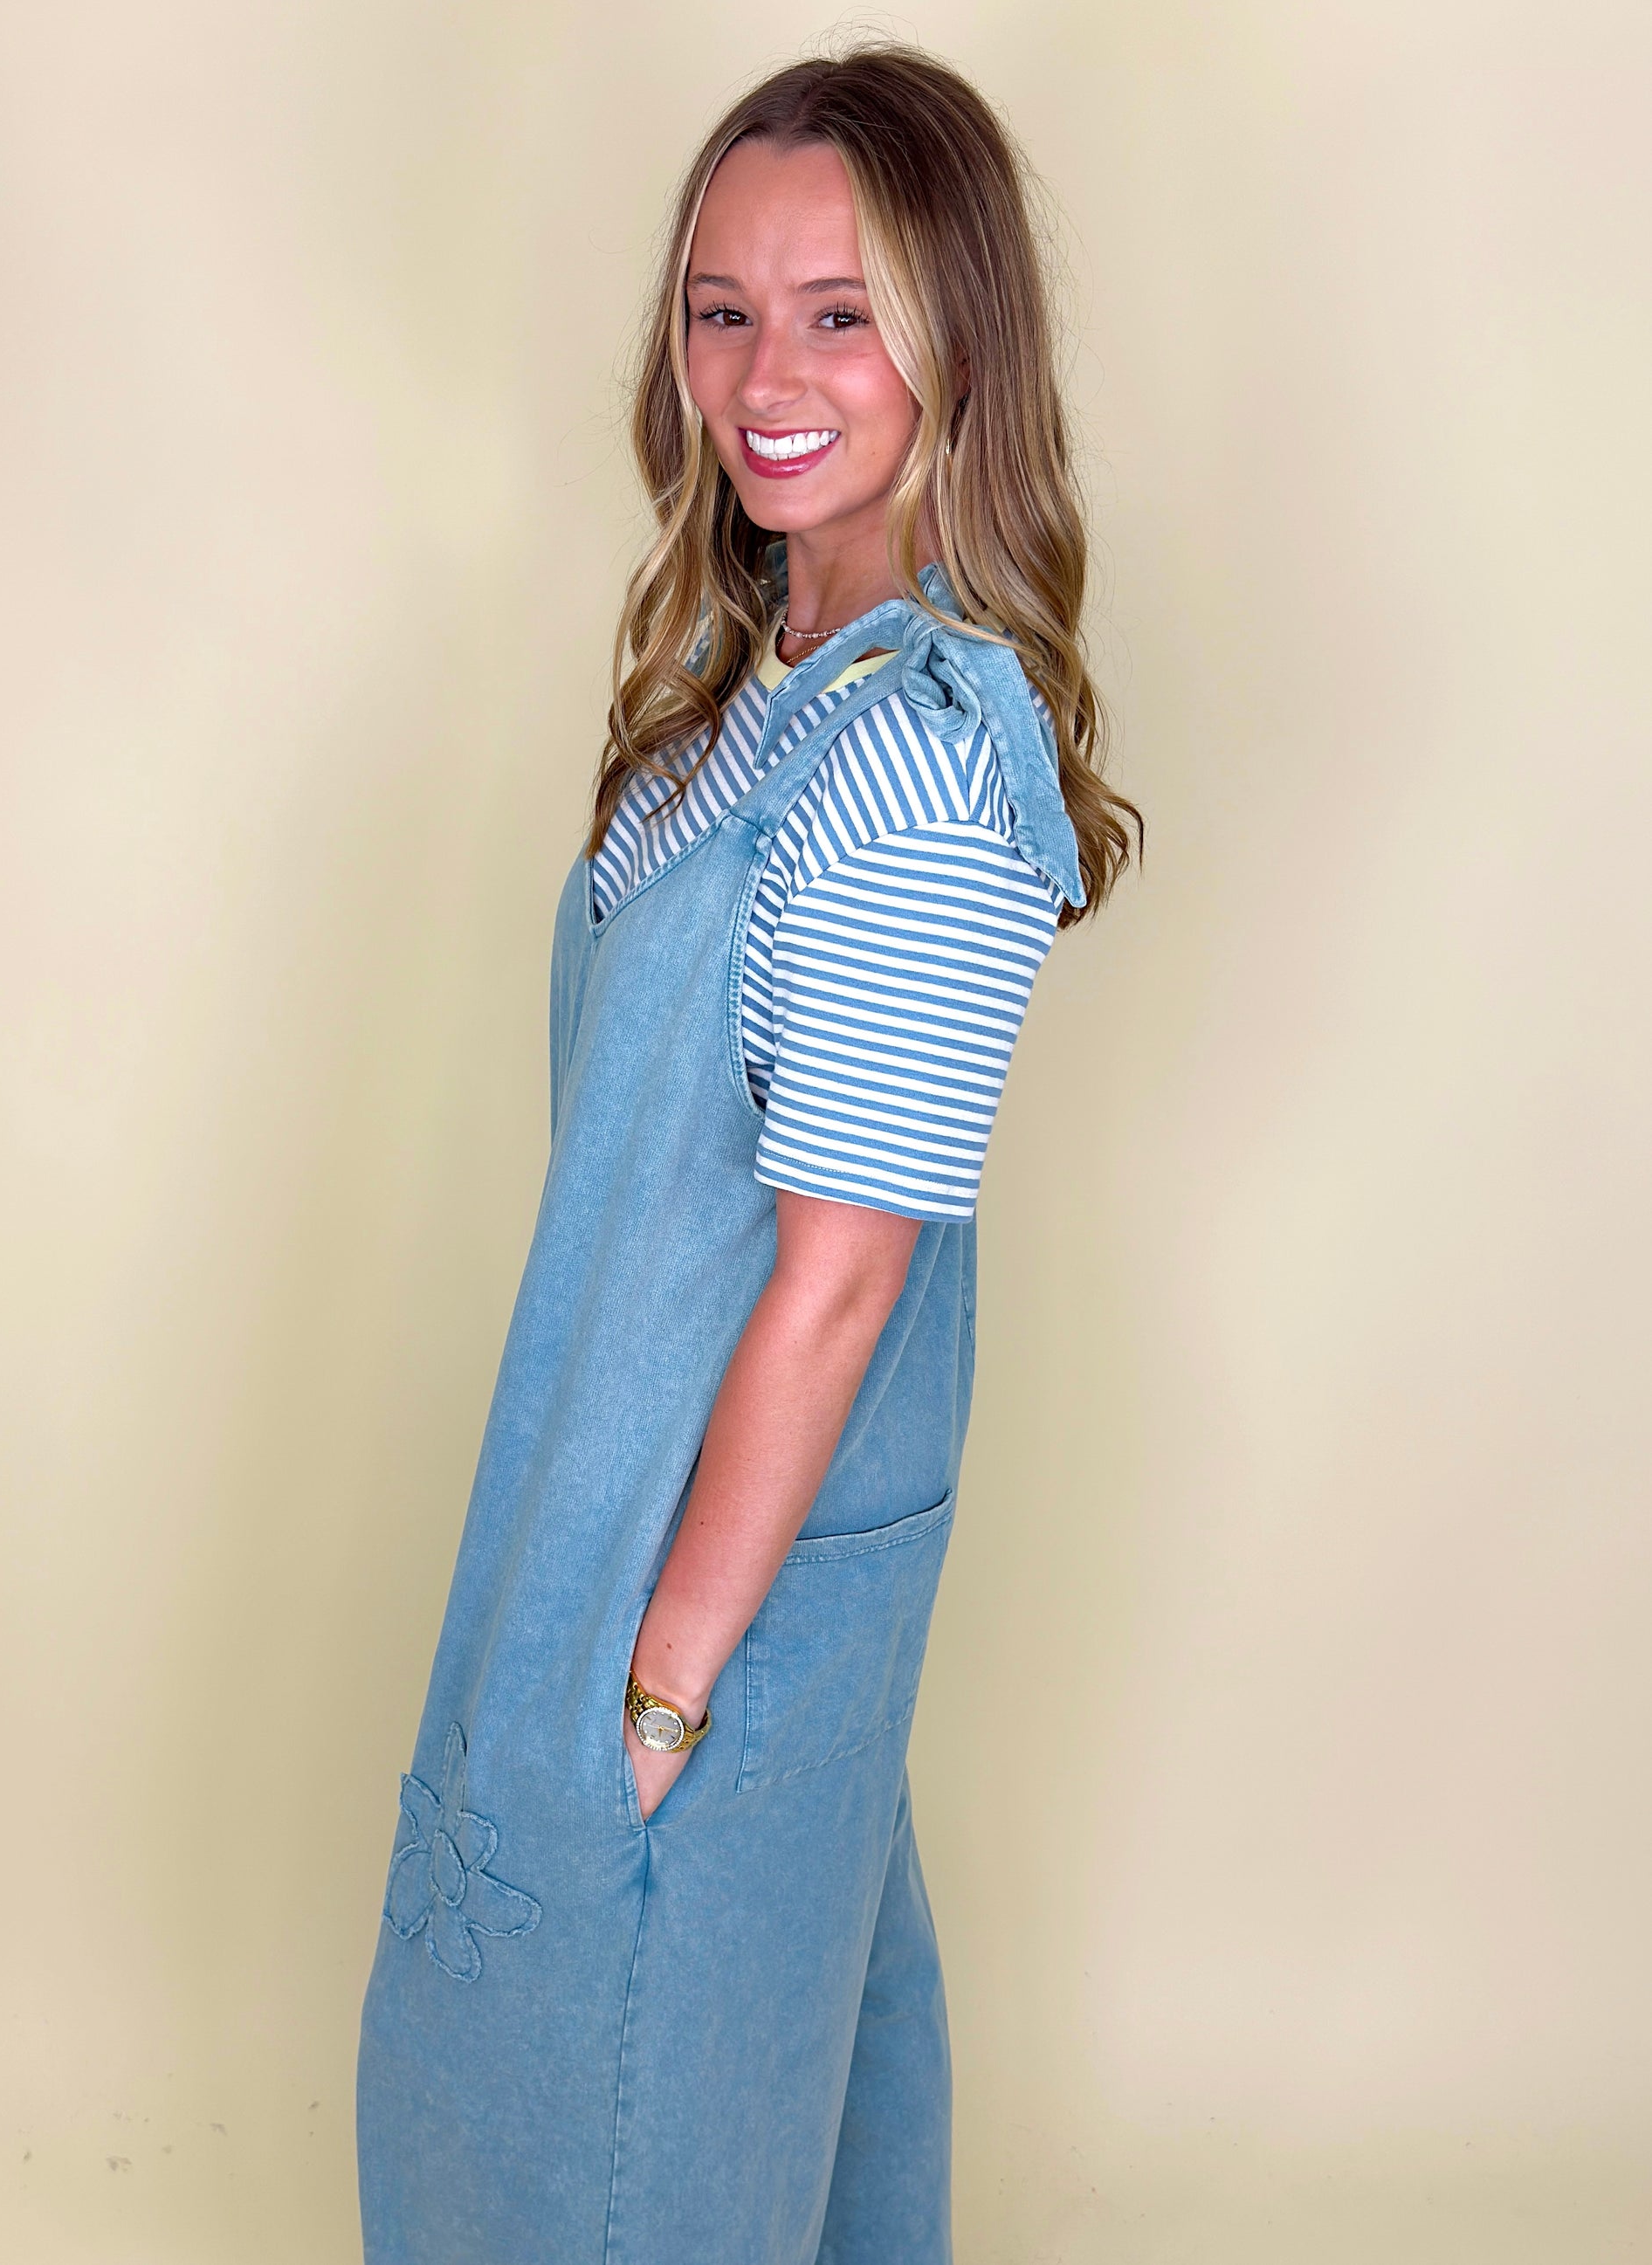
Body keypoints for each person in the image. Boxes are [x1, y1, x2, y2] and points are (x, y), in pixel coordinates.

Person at [356, 43, 1138, 2265]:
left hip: (694, 1579)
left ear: (958, 338)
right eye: (723, 309)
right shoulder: (773, 673)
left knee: (602, 2151)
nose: (766, 377)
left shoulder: (910, 766)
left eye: (840, 313)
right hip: (620, 1511)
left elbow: (844, 1272)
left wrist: (660, 1683)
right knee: (776, 2115)